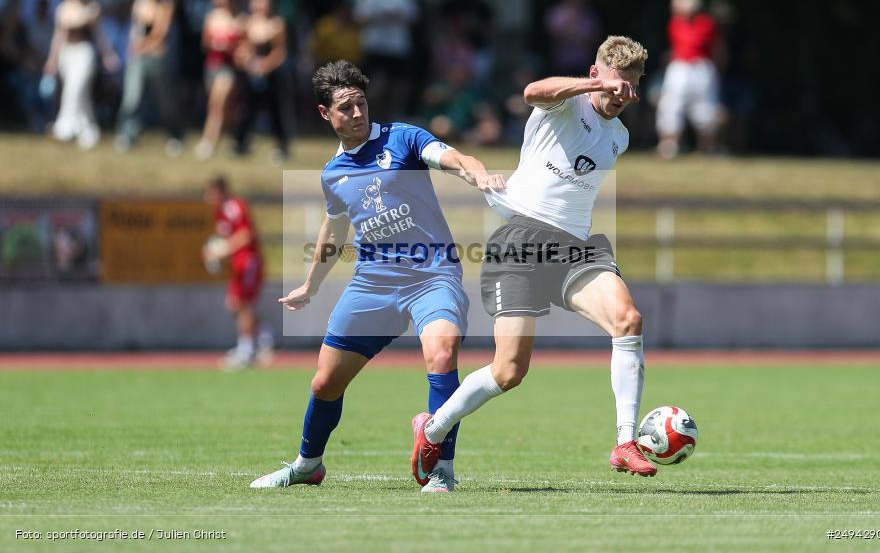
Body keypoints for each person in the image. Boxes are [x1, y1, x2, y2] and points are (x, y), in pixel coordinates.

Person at [250, 60, 505, 493]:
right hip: (374, 280)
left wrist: (476, 173)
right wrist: (310, 286)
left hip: (432, 273)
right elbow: (333, 230)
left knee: (442, 355)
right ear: (324, 114)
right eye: (345, 108)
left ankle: (442, 469)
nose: (357, 113)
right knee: (325, 381)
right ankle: (307, 464)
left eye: (361, 103)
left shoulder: (402, 138)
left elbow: (452, 157)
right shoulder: (333, 174)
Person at [412, 36, 658, 482]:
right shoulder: (565, 103)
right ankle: (432, 429)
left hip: (574, 249)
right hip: (520, 243)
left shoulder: (619, 136)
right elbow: (531, 92)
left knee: (629, 320)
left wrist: (610, 89)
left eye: (634, 87)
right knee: (509, 371)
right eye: (619, 84)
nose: (625, 95)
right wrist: (591, 87)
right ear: (595, 74)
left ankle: (625, 442)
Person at [203, 176, 273, 369]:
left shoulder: (234, 206)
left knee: (242, 304)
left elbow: (245, 235)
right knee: (234, 304)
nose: (208, 197)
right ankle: (262, 334)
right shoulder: (220, 212)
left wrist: (223, 249)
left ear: (220, 191)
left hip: (248, 261)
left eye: (211, 193)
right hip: (237, 263)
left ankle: (246, 350)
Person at [44, 0, 119, 150]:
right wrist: (52, 59)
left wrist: (108, 54)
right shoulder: (63, 8)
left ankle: (63, 128)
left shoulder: (92, 7)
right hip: (66, 54)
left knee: (74, 89)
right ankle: (89, 132)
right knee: (82, 96)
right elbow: (58, 36)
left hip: (84, 53)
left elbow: (99, 35)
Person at [114, 0, 184, 155]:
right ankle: (127, 135)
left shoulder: (165, 5)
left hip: (157, 58)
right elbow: (136, 30)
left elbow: (160, 33)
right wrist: (136, 47)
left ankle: (175, 136)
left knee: (165, 102)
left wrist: (142, 46)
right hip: (137, 58)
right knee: (132, 98)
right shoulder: (139, 4)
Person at [656, 0, 722, 158]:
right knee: (671, 105)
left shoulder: (706, 23)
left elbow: (712, 47)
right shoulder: (675, 23)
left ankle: (706, 147)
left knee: (705, 107)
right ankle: (669, 145)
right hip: (680, 67)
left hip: (701, 67)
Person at [234, 0, 290, 163]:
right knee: (247, 109)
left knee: (275, 110)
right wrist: (247, 62)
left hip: (271, 74)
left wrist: (265, 66)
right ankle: (241, 143)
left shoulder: (277, 24)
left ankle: (282, 145)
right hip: (251, 73)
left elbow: (280, 51)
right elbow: (241, 47)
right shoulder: (246, 23)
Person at [196, 0, 243, 160]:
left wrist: (230, 47)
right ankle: (238, 136)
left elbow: (243, 46)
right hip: (212, 66)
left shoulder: (239, 19)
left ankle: (208, 142)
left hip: (228, 68)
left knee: (216, 104)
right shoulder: (211, 17)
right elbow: (204, 43)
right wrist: (216, 44)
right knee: (225, 108)